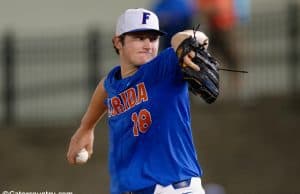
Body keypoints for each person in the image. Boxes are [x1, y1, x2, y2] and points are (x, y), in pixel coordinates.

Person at [67, 8, 208, 194]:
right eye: (140, 38)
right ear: (118, 42)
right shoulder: (114, 81)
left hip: (175, 187)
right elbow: (105, 87)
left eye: (153, 38)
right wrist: (86, 127)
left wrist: (182, 39)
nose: (148, 45)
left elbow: (200, 38)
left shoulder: (165, 66)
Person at [197, 0, 241, 98]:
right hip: (213, 29)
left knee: (232, 58)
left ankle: (234, 89)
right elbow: (203, 9)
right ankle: (220, 89)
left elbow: (218, 9)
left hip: (224, 27)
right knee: (213, 59)